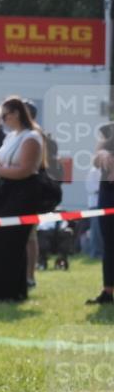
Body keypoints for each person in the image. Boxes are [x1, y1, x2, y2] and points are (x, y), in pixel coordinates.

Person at [0, 97, 45, 303]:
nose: (3, 120)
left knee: (12, 244)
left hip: (22, 195)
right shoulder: (10, 137)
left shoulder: (31, 137)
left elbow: (25, 170)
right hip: (5, 192)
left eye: (5, 115)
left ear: (16, 114)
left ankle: (12, 292)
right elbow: (3, 162)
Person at [87, 123, 114, 305]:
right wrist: (102, 154)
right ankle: (107, 291)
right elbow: (96, 160)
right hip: (108, 194)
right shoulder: (109, 132)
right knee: (110, 244)